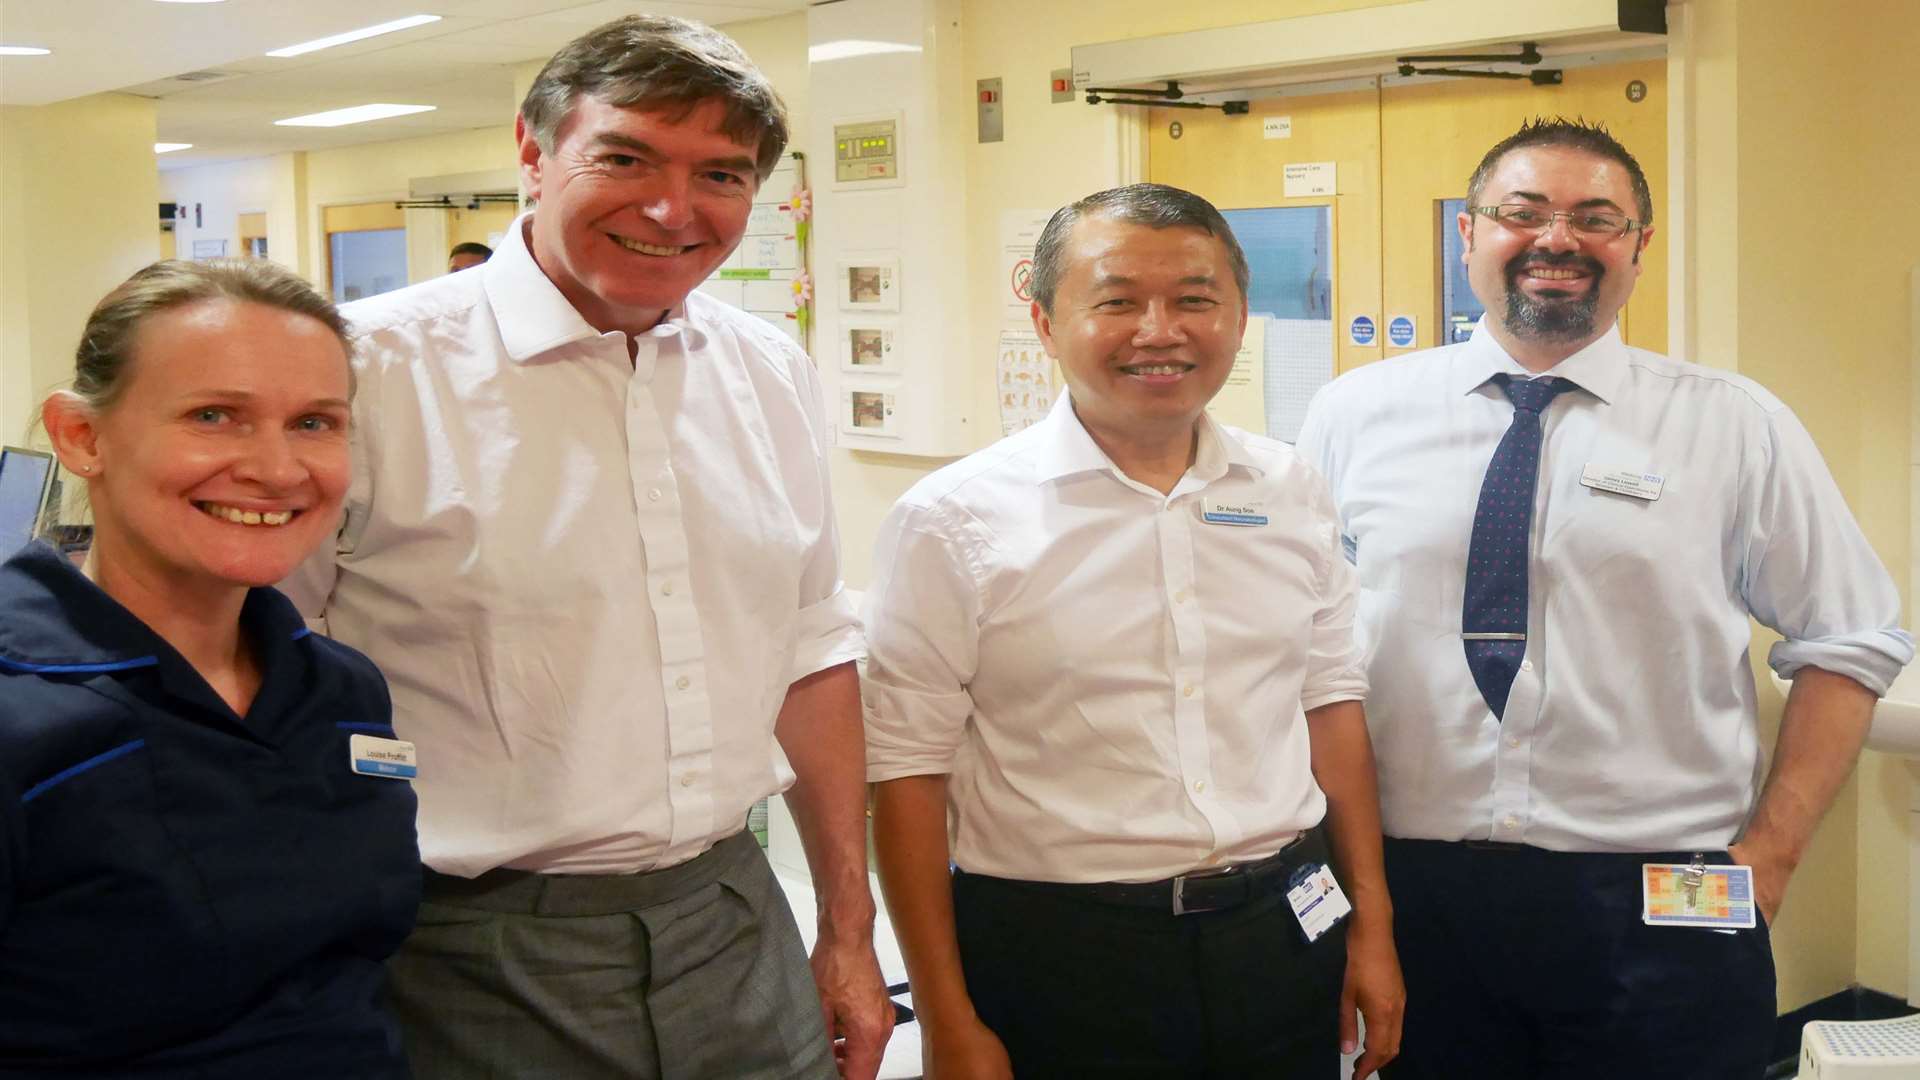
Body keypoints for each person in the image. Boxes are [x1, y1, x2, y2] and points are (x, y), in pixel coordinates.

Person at [279, 14, 892, 1080]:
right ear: (533, 148)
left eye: (721, 174)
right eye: (625, 158)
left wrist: (848, 925)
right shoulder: (363, 370)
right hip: (461, 944)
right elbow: (256, 676)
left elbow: (811, 647)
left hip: (733, 918)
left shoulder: (768, 369)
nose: (673, 209)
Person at [1296, 117, 1914, 1079]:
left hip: (1665, 890)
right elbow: (1307, 652)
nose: (1558, 240)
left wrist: (1774, 854)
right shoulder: (1353, 415)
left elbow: (1853, 638)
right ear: (1469, 233)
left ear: (1638, 246)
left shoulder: (1733, 424)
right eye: (1522, 213)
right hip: (1412, 887)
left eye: (1597, 218)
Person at [864, 183, 1404, 1079]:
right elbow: (907, 775)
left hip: (1281, 926)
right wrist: (948, 1019)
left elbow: (1329, 707)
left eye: (1196, 299)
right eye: (1116, 301)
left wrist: (1373, 929)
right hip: (1059, 948)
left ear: (1237, 313)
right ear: (1043, 320)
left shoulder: (1288, 489)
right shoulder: (953, 520)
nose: (1161, 331)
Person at [1, 259, 419, 1075]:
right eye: (215, 415)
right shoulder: (22, 715)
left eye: (314, 423)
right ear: (81, 437)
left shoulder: (339, 691)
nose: (275, 468)